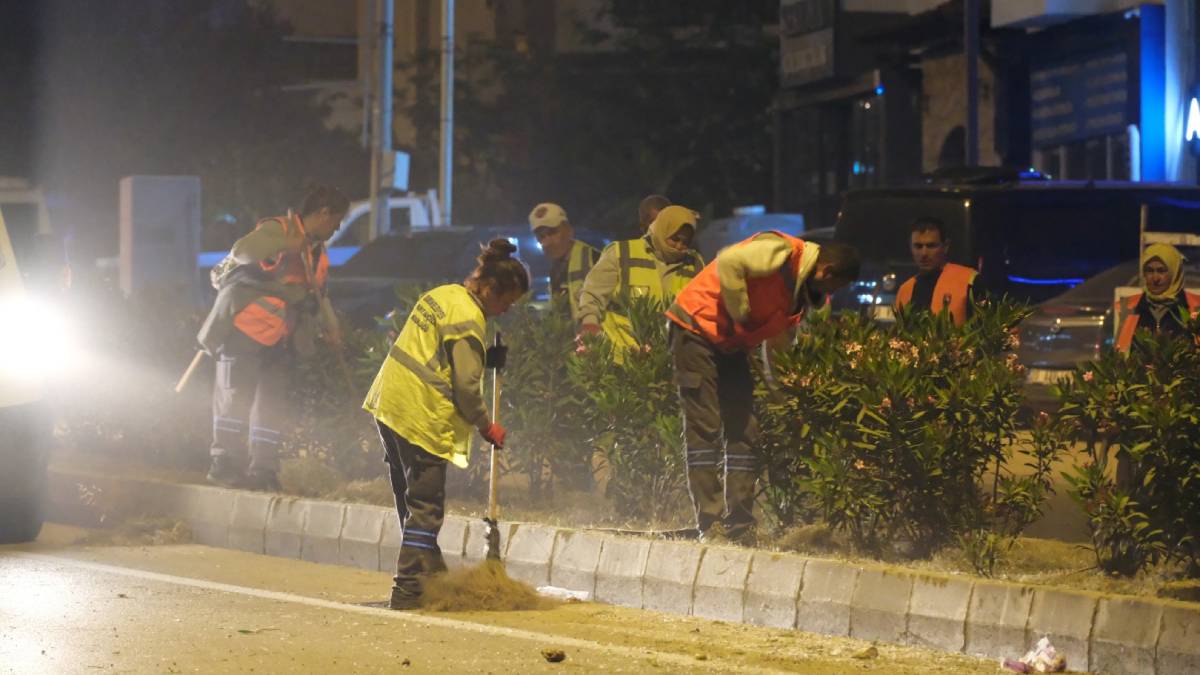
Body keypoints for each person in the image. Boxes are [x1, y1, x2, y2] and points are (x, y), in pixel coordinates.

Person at [363, 238, 529, 610]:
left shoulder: (446, 294)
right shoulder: (470, 320)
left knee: (410, 503)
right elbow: (467, 390)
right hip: (421, 416)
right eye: (506, 302)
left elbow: (437, 353)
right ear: (488, 289)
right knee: (425, 509)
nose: (504, 311)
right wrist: (488, 427)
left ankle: (432, 576)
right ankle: (408, 590)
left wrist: (484, 358)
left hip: (390, 405)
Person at [665, 232, 860, 544]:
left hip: (731, 343)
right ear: (827, 271)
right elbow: (729, 261)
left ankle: (740, 526)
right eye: (835, 287)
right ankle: (710, 524)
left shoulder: (797, 296)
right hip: (695, 329)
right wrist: (739, 309)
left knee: (745, 429)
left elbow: (776, 347)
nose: (831, 295)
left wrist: (780, 393)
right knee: (705, 426)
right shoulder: (782, 252)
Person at [197, 185, 349, 490]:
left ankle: (263, 469)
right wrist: (285, 245)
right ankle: (224, 462)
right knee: (234, 396)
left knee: (271, 404)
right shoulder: (279, 229)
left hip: (283, 337)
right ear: (323, 213)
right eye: (337, 219)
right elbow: (242, 252)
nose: (337, 227)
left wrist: (331, 327)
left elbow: (320, 295)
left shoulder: (317, 251)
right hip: (246, 329)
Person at [577, 205, 705, 351]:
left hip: (668, 360)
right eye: (674, 238)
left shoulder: (694, 265)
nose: (679, 246)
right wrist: (589, 322)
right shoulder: (620, 253)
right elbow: (592, 293)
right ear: (663, 229)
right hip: (620, 359)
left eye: (685, 242)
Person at [894, 217, 983, 325]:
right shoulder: (905, 291)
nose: (924, 253)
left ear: (945, 246)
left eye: (931, 246)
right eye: (918, 246)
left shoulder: (969, 281)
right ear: (910, 247)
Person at [1115, 242, 1200, 352]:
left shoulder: (1195, 307)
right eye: (1150, 270)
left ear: (1175, 273)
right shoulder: (1128, 307)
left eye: (1161, 270)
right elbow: (1116, 354)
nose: (1155, 278)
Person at [528, 202, 598, 320]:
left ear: (568, 230)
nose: (546, 242)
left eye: (552, 232)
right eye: (541, 236)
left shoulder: (595, 259)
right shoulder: (555, 268)